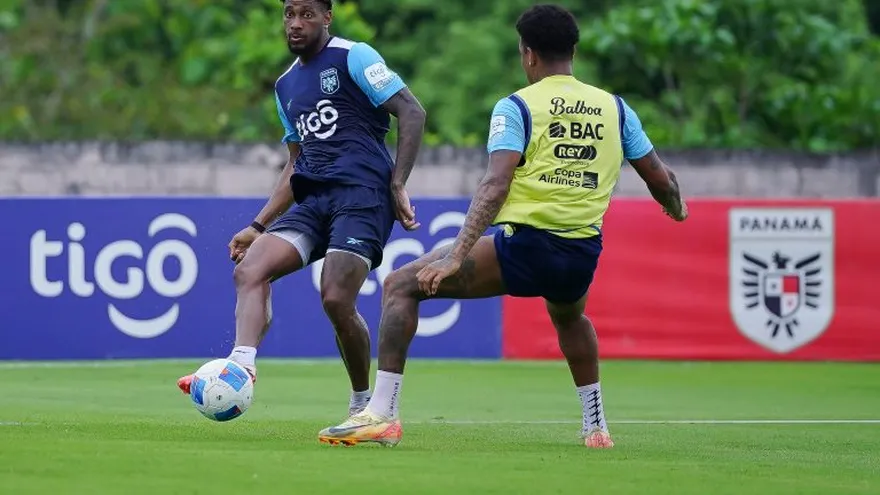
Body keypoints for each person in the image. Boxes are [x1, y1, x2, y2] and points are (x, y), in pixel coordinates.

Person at [318, 3, 687, 448]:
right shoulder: (615, 108)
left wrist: (456, 256)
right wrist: (677, 210)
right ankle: (596, 427)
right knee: (570, 317)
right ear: (572, 50)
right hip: (582, 255)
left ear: (527, 53)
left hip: (527, 248)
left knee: (400, 285)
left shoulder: (516, 107)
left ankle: (381, 414)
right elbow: (661, 179)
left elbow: (495, 185)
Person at [176, 0, 427, 418]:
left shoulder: (354, 56)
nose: (295, 24)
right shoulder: (285, 85)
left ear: (327, 17)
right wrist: (258, 224)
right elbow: (297, 162)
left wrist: (398, 182)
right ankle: (241, 366)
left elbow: (412, 111)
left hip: (362, 196)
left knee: (334, 297)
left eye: (307, 14)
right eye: (289, 14)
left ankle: (364, 403)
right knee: (250, 269)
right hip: (314, 200)